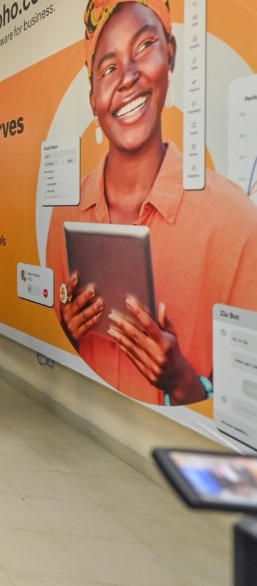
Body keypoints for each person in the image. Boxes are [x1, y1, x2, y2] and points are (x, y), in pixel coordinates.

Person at [46, 0, 257, 406]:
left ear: (170, 54)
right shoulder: (68, 214)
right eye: (107, 69)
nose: (126, 77)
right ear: (93, 99)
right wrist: (68, 332)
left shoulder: (237, 225)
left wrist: (182, 381)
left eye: (144, 47)